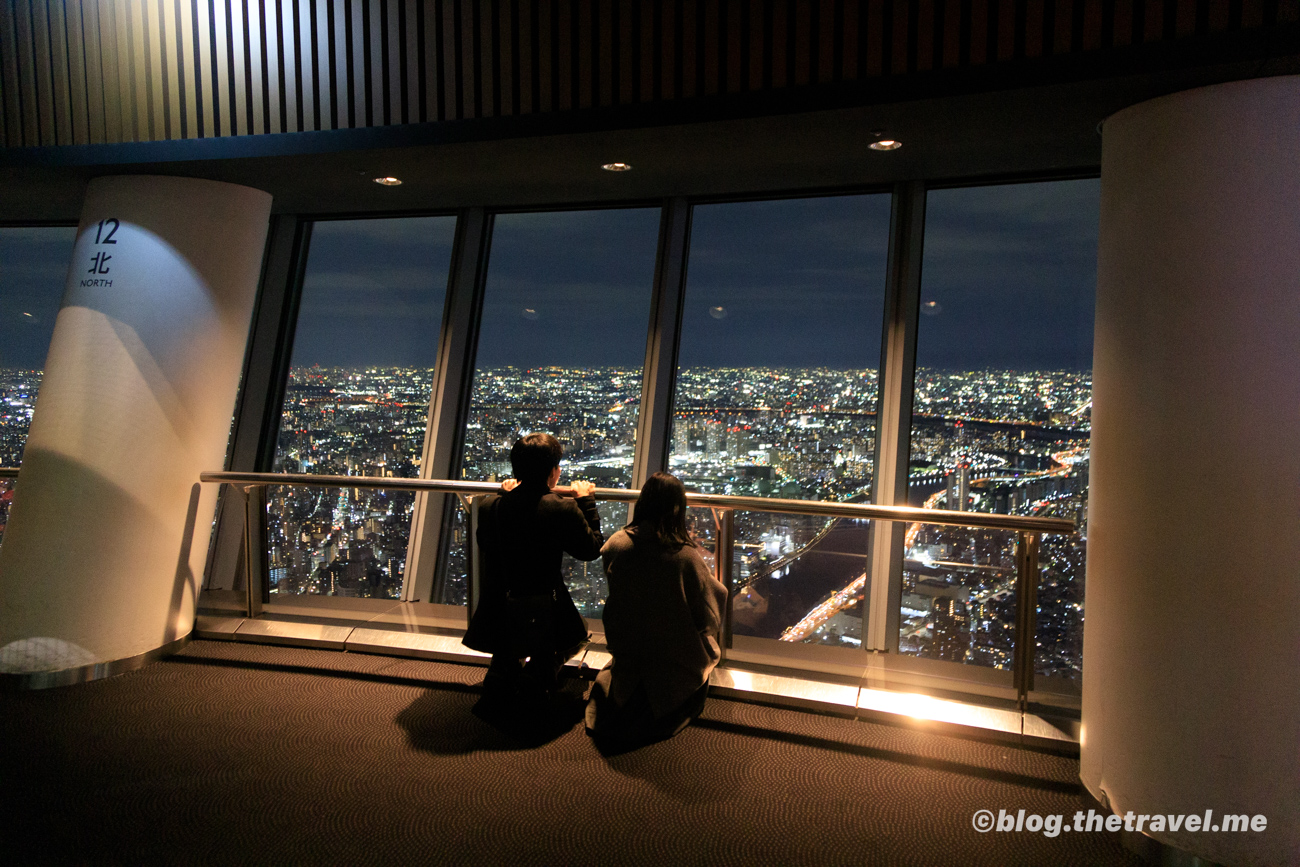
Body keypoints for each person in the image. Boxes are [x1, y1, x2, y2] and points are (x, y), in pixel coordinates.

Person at [586, 472, 727, 748]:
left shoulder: (616, 544)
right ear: (677, 508)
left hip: (629, 653)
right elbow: (709, 614)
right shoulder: (685, 557)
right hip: (674, 661)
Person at [462, 432, 604, 703]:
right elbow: (591, 549)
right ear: (553, 472)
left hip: (500, 603)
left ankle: (503, 667)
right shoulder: (561, 509)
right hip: (546, 606)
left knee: (513, 631)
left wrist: (505, 495)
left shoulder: (493, 506)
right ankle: (539, 671)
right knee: (577, 636)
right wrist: (586, 501)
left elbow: (485, 543)